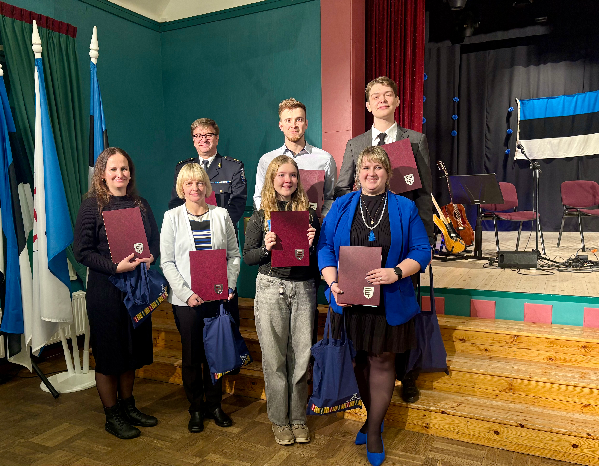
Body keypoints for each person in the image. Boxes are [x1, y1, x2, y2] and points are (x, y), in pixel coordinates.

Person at [318, 146, 431, 466]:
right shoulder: (341, 205)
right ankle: (371, 419)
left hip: (389, 299)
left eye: (378, 168)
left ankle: (374, 430)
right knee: (358, 361)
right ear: (358, 174)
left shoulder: (405, 207)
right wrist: (332, 282)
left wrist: (396, 272)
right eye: (365, 168)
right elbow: (325, 248)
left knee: (382, 361)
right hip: (350, 298)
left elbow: (422, 250)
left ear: (388, 173)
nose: (371, 173)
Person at [334, 76, 434, 403]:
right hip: (364, 239)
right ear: (367, 105)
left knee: (403, 311)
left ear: (397, 101)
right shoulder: (356, 144)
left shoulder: (415, 140)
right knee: (369, 313)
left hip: (402, 242)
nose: (381, 100)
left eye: (387, 94)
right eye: (375, 96)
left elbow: (424, 193)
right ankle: (370, 376)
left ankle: (407, 374)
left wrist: (424, 242)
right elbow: (341, 188)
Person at [74, 147, 159, 440]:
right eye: (113, 169)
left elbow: (154, 241)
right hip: (106, 292)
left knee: (131, 352)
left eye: (124, 168)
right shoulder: (91, 206)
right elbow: (82, 251)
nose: (120, 174)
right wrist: (114, 267)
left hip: (137, 290)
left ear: (130, 173)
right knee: (110, 355)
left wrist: (151, 256)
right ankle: (112, 416)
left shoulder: (141, 205)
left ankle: (129, 407)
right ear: (102, 174)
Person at [243, 155, 319, 446]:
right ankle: (279, 420)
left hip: (303, 288)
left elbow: (317, 261)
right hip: (270, 287)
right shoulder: (261, 215)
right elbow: (249, 256)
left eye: (293, 175)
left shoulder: (309, 215)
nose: (288, 180)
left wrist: (311, 245)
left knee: (301, 357)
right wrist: (266, 248)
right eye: (281, 175)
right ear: (272, 179)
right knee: (275, 359)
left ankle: (298, 418)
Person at [160, 163, 241, 433]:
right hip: (187, 302)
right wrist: (187, 294)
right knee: (193, 356)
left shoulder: (221, 215)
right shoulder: (171, 217)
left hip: (217, 298)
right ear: (181, 188)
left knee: (215, 354)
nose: (194, 188)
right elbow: (167, 262)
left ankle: (214, 405)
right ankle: (195, 408)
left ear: (206, 186)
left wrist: (229, 284)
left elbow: (234, 255)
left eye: (199, 182)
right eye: (188, 183)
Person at [253, 98, 337, 217]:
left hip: (314, 225)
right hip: (276, 225)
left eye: (299, 120)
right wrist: (269, 219)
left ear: (306, 124)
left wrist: (323, 218)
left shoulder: (325, 159)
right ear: (281, 125)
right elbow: (259, 197)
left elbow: (331, 197)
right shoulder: (267, 160)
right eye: (288, 120)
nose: (293, 125)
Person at [168, 118, 247, 228]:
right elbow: (176, 202)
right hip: (189, 230)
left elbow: (238, 204)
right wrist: (188, 225)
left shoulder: (233, 167)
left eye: (208, 135)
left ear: (217, 138)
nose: (203, 139)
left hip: (222, 230)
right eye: (198, 135)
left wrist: (218, 225)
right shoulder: (182, 168)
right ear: (193, 140)